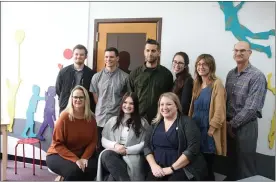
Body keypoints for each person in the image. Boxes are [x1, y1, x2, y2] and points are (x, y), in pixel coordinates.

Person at [225, 41, 267, 180]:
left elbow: (251, 108)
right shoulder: (230, 74)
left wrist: (232, 124)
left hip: (246, 126)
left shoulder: (257, 76)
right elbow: (226, 101)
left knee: (245, 166)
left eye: (243, 50)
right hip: (229, 125)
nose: (238, 53)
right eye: (236, 50)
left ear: (250, 53)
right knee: (231, 163)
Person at [144, 92, 207, 181]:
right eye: (162, 104)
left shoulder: (187, 122)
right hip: (158, 168)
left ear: (176, 106)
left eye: (169, 104)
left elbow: (192, 150)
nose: (164, 107)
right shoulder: (154, 125)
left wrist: (171, 168)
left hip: (182, 168)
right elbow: (147, 147)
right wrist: (153, 166)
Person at [46, 85, 98, 181]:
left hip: (80, 154)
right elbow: (57, 144)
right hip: (57, 154)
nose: (78, 100)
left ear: (86, 99)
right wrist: (76, 160)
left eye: (81, 97)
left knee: (91, 169)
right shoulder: (64, 117)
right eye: (75, 97)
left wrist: (84, 158)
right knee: (75, 171)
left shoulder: (91, 119)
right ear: (71, 98)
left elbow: (93, 142)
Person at [188, 54, 227, 181]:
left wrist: (212, 129)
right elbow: (192, 109)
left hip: (208, 130)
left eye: (205, 64)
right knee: (196, 163)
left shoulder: (217, 84)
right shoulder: (197, 84)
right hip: (195, 128)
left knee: (208, 165)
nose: (201, 67)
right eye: (199, 64)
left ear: (211, 66)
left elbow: (220, 110)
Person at [96, 92, 150, 181]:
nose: (127, 105)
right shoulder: (112, 121)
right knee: (107, 155)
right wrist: (116, 146)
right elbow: (104, 139)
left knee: (112, 178)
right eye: (125, 102)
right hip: (112, 155)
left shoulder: (142, 123)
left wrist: (126, 150)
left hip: (131, 157)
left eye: (131, 103)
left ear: (136, 105)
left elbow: (145, 143)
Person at [90, 47, 129, 151]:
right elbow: (95, 96)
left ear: (117, 58)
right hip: (100, 119)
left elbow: (126, 99)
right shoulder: (96, 77)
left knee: (114, 149)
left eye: (111, 57)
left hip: (116, 120)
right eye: (106, 57)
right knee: (98, 148)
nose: (108, 59)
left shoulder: (125, 77)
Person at [128, 39, 173, 123]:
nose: (150, 53)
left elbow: (170, 98)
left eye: (153, 51)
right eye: (147, 50)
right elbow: (130, 97)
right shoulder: (134, 73)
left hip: (159, 119)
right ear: (144, 52)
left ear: (159, 52)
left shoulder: (166, 75)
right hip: (138, 118)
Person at [56, 44, 96, 114]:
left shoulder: (92, 74)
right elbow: (58, 90)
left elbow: (92, 94)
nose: (78, 56)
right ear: (73, 55)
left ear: (85, 56)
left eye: (81, 55)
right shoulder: (63, 72)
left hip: (84, 110)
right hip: (66, 108)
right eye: (76, 54)